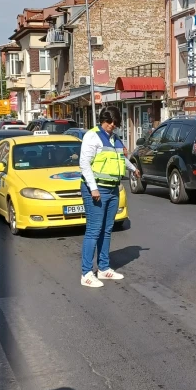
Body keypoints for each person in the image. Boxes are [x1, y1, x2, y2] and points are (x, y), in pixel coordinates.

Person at [79, 107, 140, 288]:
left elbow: (120, 158)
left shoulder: (114, 138)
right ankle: (86, 272)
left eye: (114, 123)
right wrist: (93, 188)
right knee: (94, 230)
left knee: (106, 230)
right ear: (102, 120)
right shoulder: (92, 136)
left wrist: (133, 169)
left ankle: (104, 268)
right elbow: (84, 163)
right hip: (97, 190)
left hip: (113, 189)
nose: (111, 126)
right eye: (109, 123)